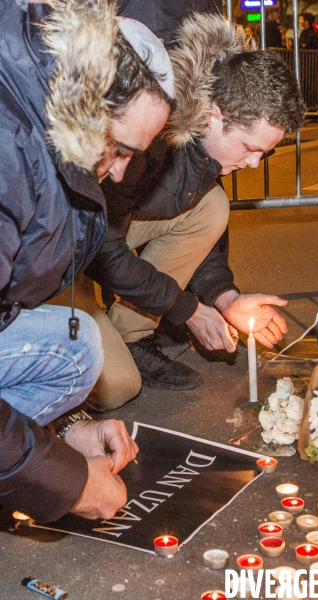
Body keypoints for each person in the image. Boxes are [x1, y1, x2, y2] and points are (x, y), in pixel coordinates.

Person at [72, 13, 306, 410]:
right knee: (116, 388)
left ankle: (131, 334)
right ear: (214, 114)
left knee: (212, 205)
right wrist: (188, 310)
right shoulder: (151, 128)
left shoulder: (206, 141)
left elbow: (197, 231)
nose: (254, 164)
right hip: (64, 245)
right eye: (251, 148)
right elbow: (99, 245)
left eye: (264, 153)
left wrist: (226, 298)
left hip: (107, 228)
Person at [0, 0, 174, 522]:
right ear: (85, 104)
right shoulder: (8, 151)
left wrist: (64, 433)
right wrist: (68, 482)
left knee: (75, 351)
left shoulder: (37, 117)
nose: (120, 175)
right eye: (118, 149)